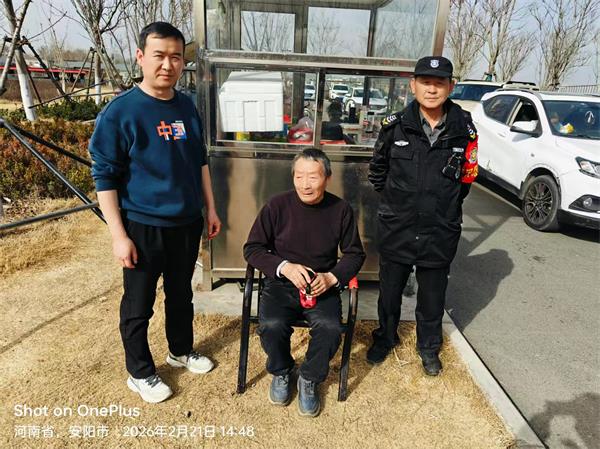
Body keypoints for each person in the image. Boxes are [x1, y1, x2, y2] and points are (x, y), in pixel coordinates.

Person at [88, 22, 221, 403]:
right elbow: (104, 177)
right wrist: (119, 235)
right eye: (159, 55)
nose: (168, 64)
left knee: (181, 294)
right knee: (138, 304)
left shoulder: (187, 106)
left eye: (176, 57)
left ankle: (180, 350)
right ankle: (140, 371)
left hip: (186, 223)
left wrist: (210, 208)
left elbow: (199, 161)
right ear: (140, 57)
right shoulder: (121, 112)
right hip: (143, 225)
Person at [366, 56, 478, 375]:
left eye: (439, 83)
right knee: (390, 293)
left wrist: (444, 205)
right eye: (425, 82)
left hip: (439, 229)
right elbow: (377, 171)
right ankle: (385, 338)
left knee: (432, 297)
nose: (432, 89)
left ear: (450, 87)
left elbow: (467, 177)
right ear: (413, 85)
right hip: (397, 227)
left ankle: (428, 347)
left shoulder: (464, 129)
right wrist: (398, 203)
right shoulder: (395, 125)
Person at [243, 148, 365, 417]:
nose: (305, 184)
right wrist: (284, 267)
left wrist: (331, 277)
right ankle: (282, 370)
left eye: (313, 177)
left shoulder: (340, 209)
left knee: (330, 329)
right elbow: (252, 248)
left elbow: (355, 254)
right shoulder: (276, 206)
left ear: (327, 178)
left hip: (321, 284)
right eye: (299, 176)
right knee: (271, 325)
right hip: (282, 283)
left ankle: (309, 377)